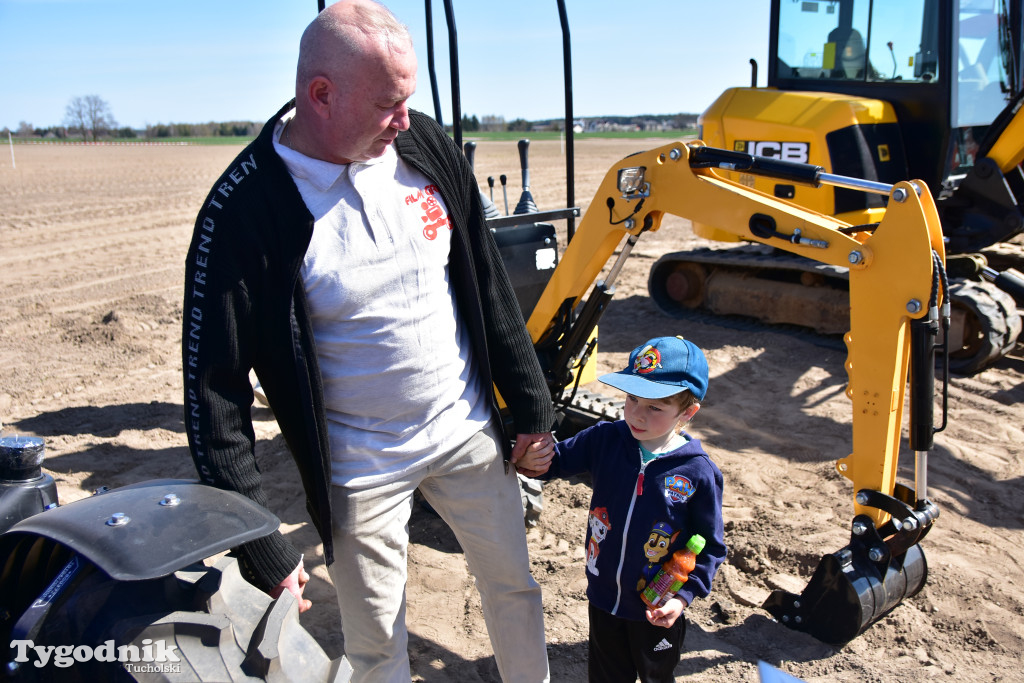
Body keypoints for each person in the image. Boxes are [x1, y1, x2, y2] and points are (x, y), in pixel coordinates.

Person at [181, 1, 556, 681]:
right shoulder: (246, 210)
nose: (406, 118)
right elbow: (215, 396)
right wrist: (260, 544)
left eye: (409, 98)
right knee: (378, 647)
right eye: (389, 102)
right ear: (321, 95)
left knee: (516, 591)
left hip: (468, 430)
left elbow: (486, 279)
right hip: (362, 472)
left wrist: (531, 406)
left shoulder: (423, 148)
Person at [514, 336, 726, 683]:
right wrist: (531, 456)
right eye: (631, 398)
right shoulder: (605, 439)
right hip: (602, 597)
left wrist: (682, 599)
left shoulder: (698, 472)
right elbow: (556, 461)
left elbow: (710, 546)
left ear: (687, 412)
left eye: (655, 408)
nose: (636, 414)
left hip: (657, 605)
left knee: (657, 675)